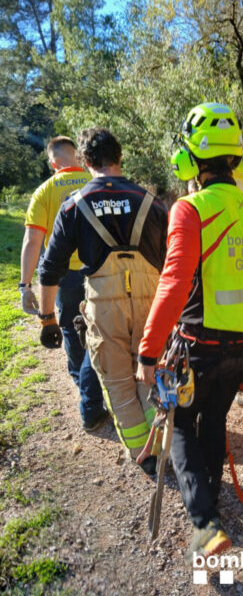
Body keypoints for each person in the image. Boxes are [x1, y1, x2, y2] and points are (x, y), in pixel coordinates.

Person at [136, 102, 243, 562]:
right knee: (214, 419)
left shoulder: (190, 208)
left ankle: (204, 522)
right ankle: (211, 499)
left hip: (200, 346)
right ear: (240, 159)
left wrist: (148, 352)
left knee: (176, 425)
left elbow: (174, 282)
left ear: (189, 160)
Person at [37, 128, 168, 476]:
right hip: (151, 302)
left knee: (117, 383)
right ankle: (162, 443)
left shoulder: (74, 205)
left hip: (103, 304)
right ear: (120, 158)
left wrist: (47, 316)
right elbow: (173, 262)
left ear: (85, 162)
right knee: (149, 374)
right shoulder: (152, 202)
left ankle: (144, 454)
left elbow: (50, 269)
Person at [20, 136, 106, 431]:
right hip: (99, 270)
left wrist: (25, 284)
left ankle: (89, 401)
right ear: (79, 158)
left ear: (53, 162)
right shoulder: (96, 182)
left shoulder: (44, 192)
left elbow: (33, 241)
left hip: (64, 276)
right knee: (101, 329)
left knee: (71, 329)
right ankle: (96, 390)